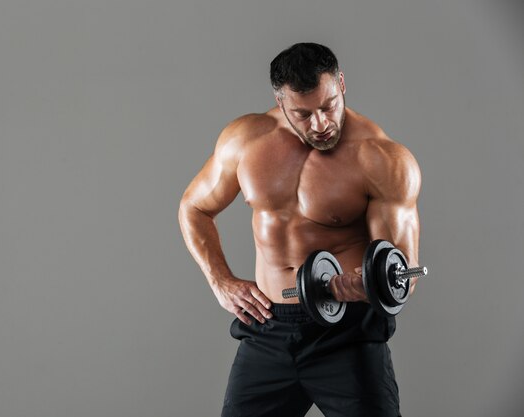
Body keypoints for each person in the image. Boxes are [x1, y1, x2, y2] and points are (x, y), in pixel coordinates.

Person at [178, 42, 422, 417]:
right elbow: (194, 207)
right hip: (268, 328)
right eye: (303, 114)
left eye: (328, 106)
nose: (321, 124)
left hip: (346, 333)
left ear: (341, 84)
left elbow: (401, 272)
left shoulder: (381, 159)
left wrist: (365, 285)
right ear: (280, 102)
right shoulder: (245, 141)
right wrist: (220, 280)